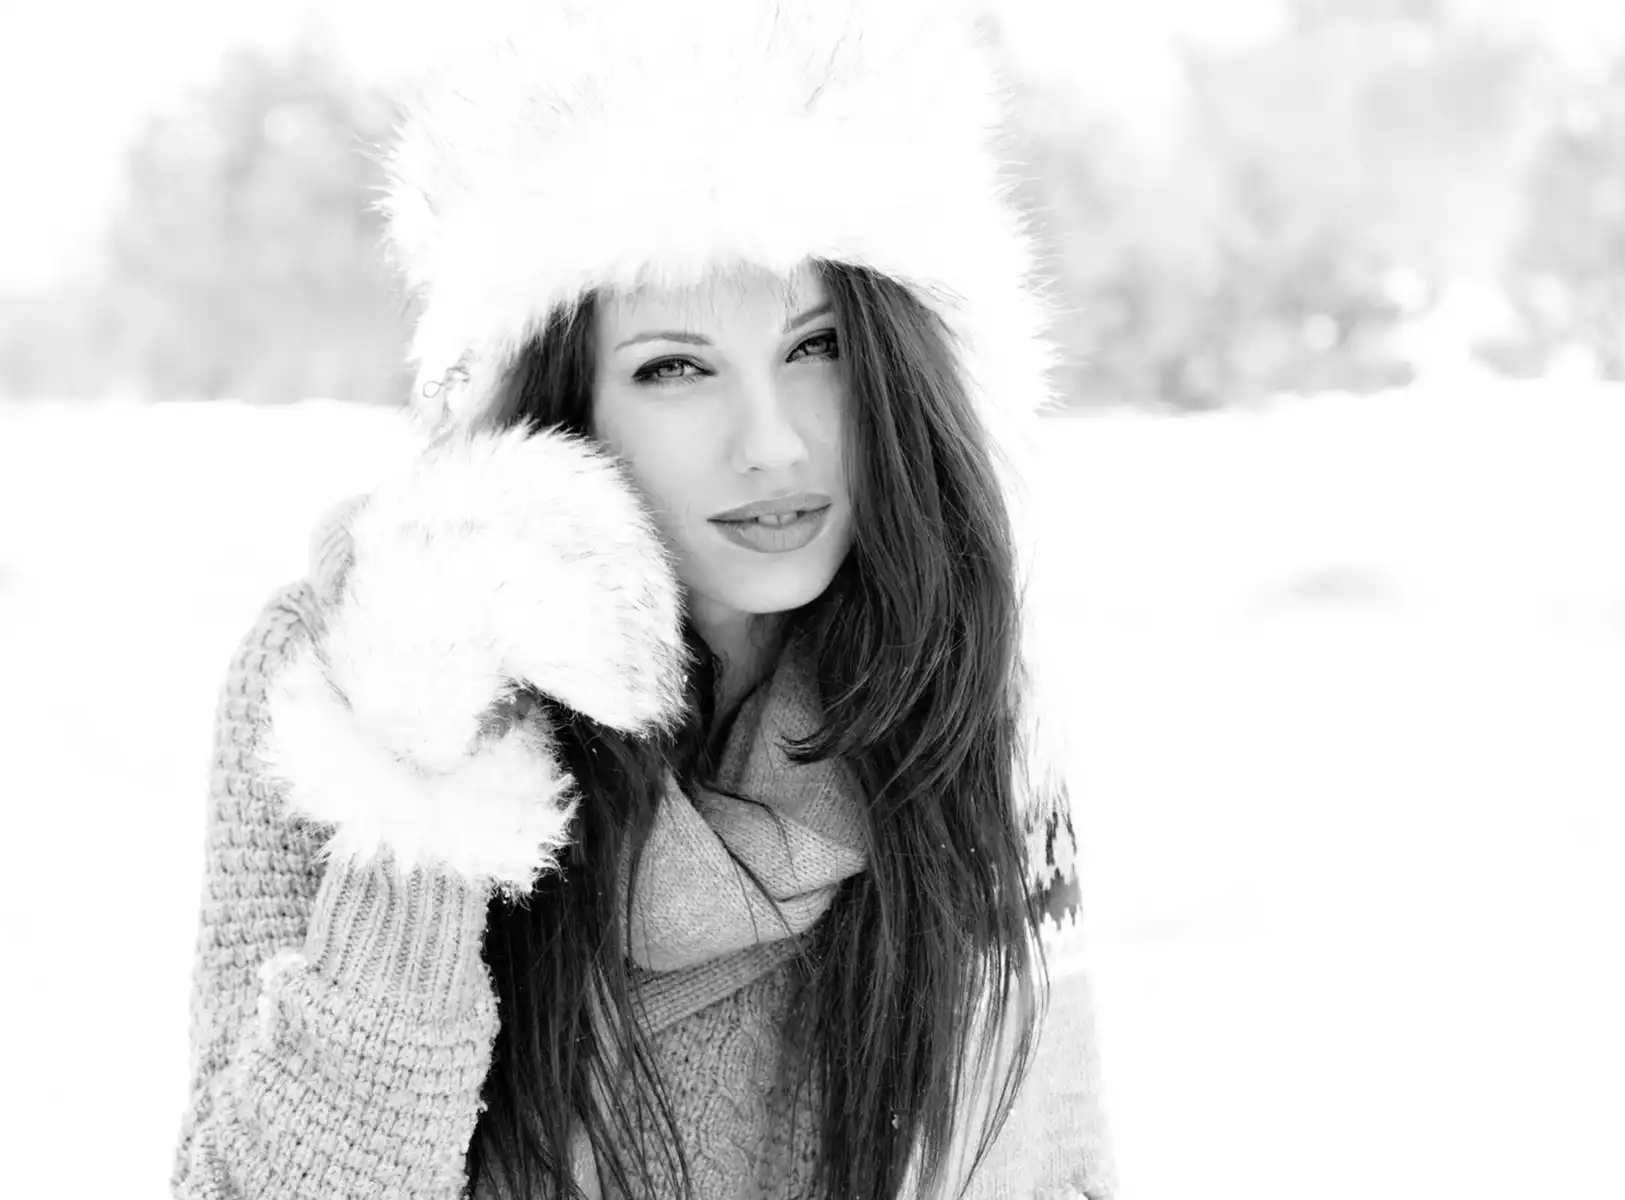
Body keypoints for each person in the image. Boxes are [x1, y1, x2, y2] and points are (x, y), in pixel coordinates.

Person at [170, 1, 1116, 1198]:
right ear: (562, 402)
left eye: (815, 347)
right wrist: (424, 792)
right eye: (675, 368)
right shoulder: (343, 676)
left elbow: (1059, 1163)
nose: (771, 445)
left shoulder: (961, 688)